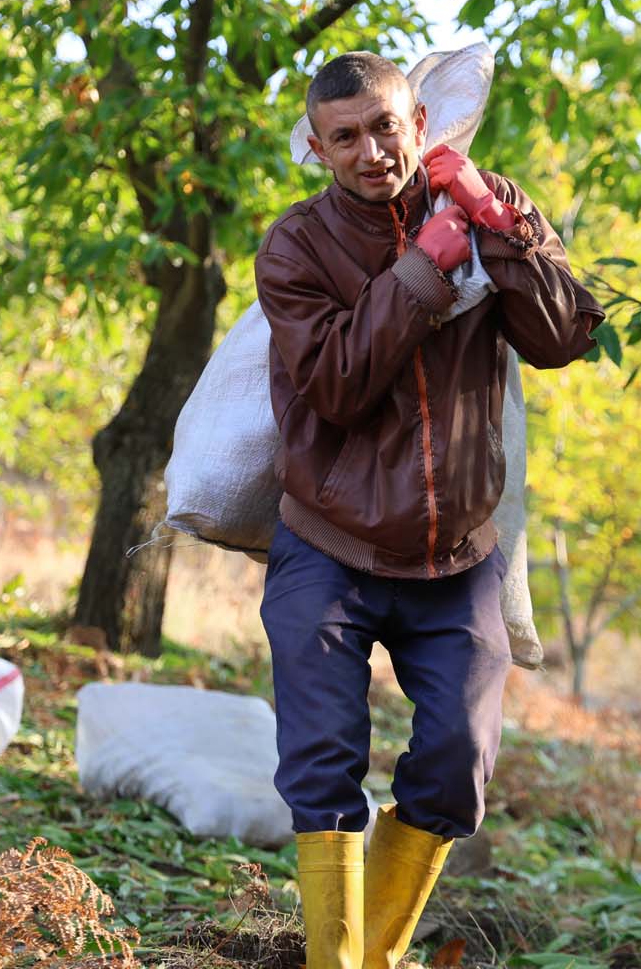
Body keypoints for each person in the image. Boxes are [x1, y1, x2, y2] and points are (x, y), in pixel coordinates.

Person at [254, 50, 604, 969]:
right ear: (318, 149)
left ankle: (370, 958)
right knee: (324, 766)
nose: (371, 152)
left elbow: (563, 336)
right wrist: (426, 265)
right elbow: (335, 385)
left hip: (458, 558)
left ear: (417, 122)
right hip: (328, 545)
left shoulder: (490, 206)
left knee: (455, 767)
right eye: (345, 138)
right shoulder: (295, 247)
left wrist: (499, 223)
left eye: (384, 127)